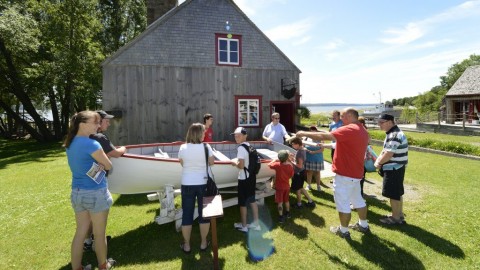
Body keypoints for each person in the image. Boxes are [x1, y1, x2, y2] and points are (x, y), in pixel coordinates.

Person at [297, 108, 369, 239]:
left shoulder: (350, 129)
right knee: (358, 200)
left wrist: (302, 133)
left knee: (343, 203)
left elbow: (325, 136)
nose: (341, 119)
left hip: (345, 174)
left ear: (349, 116)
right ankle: (363, 225)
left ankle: (343, 231)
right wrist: (324, 141)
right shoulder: (361, 129)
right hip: (355, 174)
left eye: (342, 116)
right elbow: (332, 135)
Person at [64, 111, 115, 270]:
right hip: (96, 193)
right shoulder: (92, 144)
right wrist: (102, 165)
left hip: (77, 193)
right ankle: (103, 265)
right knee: (99, 234)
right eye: (95, 122)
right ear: (83, 124)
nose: (98, 125)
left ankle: (77, 267)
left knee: (80, 233)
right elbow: (109, 166)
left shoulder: (70, 143)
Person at [83, 110, 126, 251]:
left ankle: (89, 240)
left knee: (90, 213)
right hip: (98, 181)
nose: (109, 122)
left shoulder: (85, 137)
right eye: (106, 120)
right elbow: (116, 154)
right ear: (98, 121)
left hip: (85, 181)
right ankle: (97, 242)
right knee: (99, 213)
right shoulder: (100, 137)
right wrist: (124, 148)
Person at [178, 123, 213, 253]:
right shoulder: (206, 147)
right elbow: (212, 162)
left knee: (187, 214)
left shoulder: (183, 147)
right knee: (204, 214)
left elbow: (182, 163)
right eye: (203, 132)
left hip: (187, 183)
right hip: (203, 183)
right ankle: (203, 243)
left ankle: (187, 245)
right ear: (198, 133)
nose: (205, 134)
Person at [374, 113, 408, 225]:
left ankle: (395, 218)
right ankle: (399, 214)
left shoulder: (394, 134)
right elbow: (385, 151)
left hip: (394, 169)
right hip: (396, 168)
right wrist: (379, 160)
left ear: (389, 122)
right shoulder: (393, 133)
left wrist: (379, 163)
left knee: (393, 194)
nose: (379, 125)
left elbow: (388, 154)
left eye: (381, 122)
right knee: (397, 193)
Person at [231, 127, 260, 232]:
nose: (236, 137)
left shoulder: (241, 148)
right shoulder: (250, 146)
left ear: (244, 136)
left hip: (244, 178)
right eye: (235, 135)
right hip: (252, 177)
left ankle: (244, 226)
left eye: (238, 135)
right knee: (252, 200)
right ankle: (257, 224)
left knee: (242, 203)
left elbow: (241, 165)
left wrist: (234, 163)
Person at [268, 150, 294, 223]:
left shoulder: (277, 165)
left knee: (280, 202)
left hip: (279, 187)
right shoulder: (290, 166)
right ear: (287, 158)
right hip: (287, 186)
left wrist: (274, 160)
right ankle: (288, 213)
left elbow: (269, 165)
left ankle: (281, 216)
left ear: (279, 158)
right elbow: (291, 175)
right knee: (286, 200)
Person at [289, 137, 316, 209]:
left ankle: (299, 204)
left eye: (293, 144)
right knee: (301, 187)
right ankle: (310, 201)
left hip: (298, 172)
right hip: (302, 171)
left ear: (297, 144)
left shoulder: (299, 153)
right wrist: (295, 158)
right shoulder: (303, 149)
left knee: (298, 189)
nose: (292, 146)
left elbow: (299, 165)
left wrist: (291, 161)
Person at [304, 125, 325, 192]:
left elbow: (322, 149)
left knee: (317, 173)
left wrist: (314, 152)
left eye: (314, 129)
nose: (313, 130)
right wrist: (306, 150)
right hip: (309, 157)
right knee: (309, 172)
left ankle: (318, 186)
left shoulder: (321, 138)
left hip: (317, 158)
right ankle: (308, 185)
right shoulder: (306, 138)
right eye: (311, 129)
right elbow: (303, 146)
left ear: (316, 130)